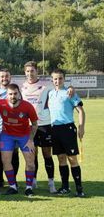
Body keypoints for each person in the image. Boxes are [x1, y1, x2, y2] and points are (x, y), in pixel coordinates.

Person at [0, 84, 38, 196]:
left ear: (19, 94)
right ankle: (12, 186)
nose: (13, 96)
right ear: (6, 95)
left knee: (31, 163)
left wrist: (30, 140)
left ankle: (28, 187)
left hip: (24, 136)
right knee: (6, 161)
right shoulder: (0, 104)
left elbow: (35, 124)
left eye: (15, 94)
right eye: (10, 94)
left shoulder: (27, 106)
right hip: (7, 136)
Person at [48, 69, 85, 197]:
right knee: (61, 159)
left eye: (60, 78)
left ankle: (79, 189)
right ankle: (65, 187)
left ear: (64, 79)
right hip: (55, 130)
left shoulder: (70, 93)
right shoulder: (51, 93)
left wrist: (81, 127)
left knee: (72, 159)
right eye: (55, 79)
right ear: (52, 80)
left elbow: (80, 111)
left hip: (67, 129)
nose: (58, 81)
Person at [21, 61, 56, 193]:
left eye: (32, 71)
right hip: (29, 126)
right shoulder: (22, 87)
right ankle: (33, 180)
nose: (30, 74)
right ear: (25, 72)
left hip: (44, 125)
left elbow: (59, 87)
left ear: (37, 71)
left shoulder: (46, 86)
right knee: (32, 155)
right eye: (27, 71)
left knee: (47, 154)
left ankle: (51, 182)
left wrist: (71, 89)